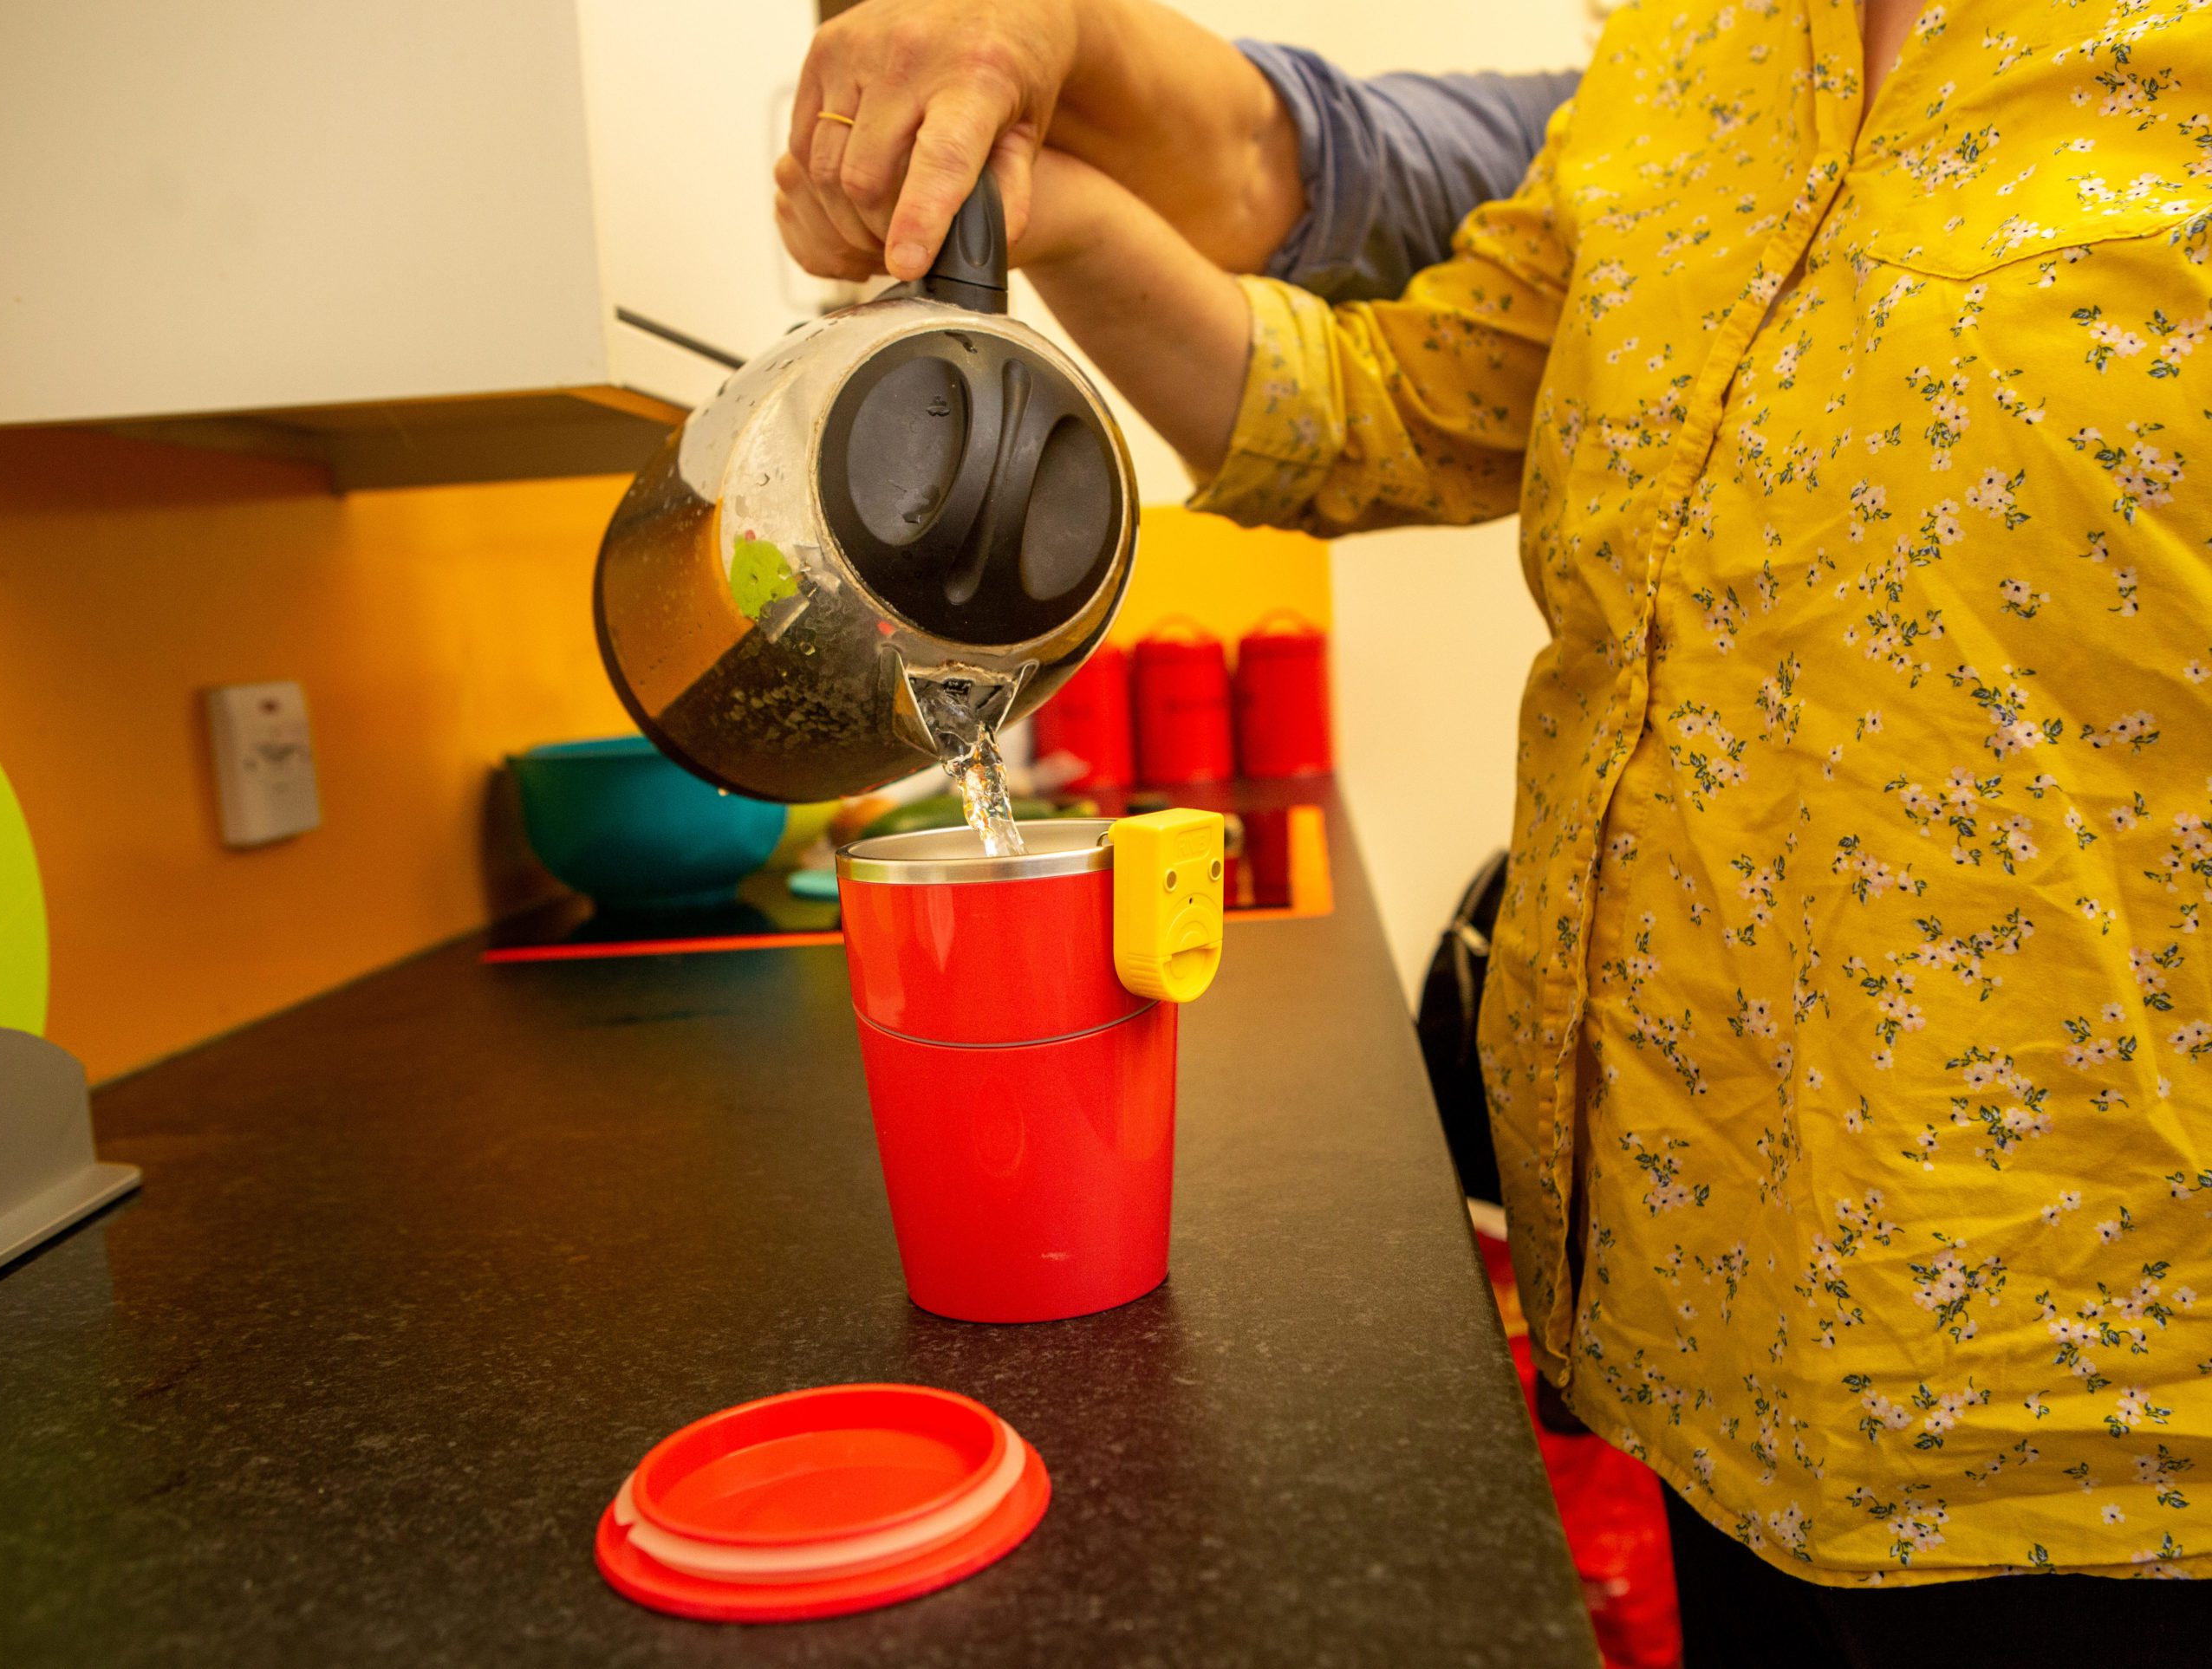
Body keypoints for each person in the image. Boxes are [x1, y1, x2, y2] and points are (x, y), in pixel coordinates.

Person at [777, 1, 2212, 1662]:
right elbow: (1387, 404)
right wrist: (1061, 214)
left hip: (2098, 1375)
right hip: (1719, 1312)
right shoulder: (1694, 56)